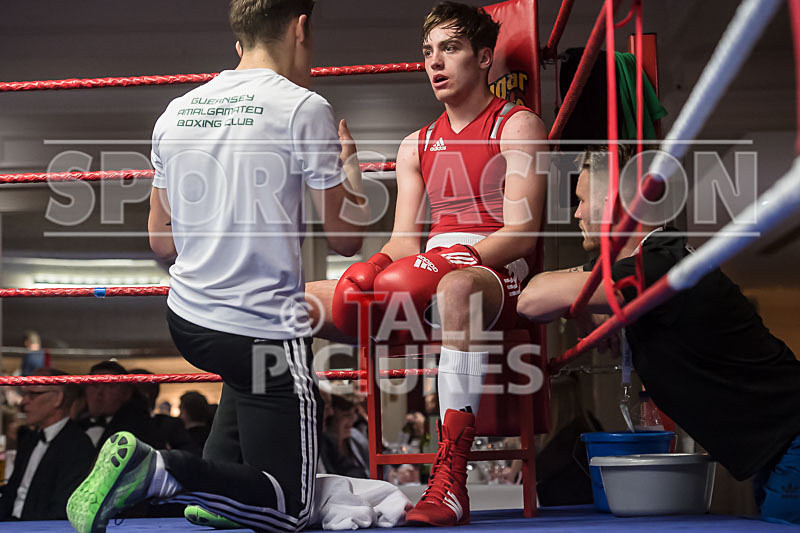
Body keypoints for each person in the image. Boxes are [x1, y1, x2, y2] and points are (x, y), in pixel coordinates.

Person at [67, 1, 368, 531]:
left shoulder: (176, 111)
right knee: (293, 511)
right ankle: (159, 469)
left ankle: (218, 489)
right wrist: (349, 165)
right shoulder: (304, 107)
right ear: (302, 29)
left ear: (239, 45)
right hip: (262, 333)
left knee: (241, 379)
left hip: (188, 321)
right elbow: (346, 240)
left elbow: (161, 242)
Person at [306, 2, 547, 526]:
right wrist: (370, 268)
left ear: (484, 58)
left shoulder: (517, 124)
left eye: (451, 48)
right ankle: (287, 469)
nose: (435, 62)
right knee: (307, 297)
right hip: (428, 266)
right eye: (428, 51)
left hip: (491, 270)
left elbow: (523, 233)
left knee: (456, 288)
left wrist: (453, 259)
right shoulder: (417, 144)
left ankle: (451, 481)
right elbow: (401, 240)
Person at [517, 145, 800, 525]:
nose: (577, 212)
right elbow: (566, 287)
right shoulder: (652, 258)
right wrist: (587, 309)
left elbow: (531, 300)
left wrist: (583, 302)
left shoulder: (657, 264)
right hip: (775, 447)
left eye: (583, 200)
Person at [0, 368, 95, 521]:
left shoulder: (78, 446)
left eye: (33, 394)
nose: (24, 402)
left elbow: (61, 510)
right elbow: (11, 493)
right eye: (25, 394)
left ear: (58, 399)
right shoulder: (30, 439)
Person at [80, 360, 156, 449]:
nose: (99, 392)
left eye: (109, 386)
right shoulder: (77, 425)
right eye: (94, 385)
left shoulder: (140, 429)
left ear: (126, 393)